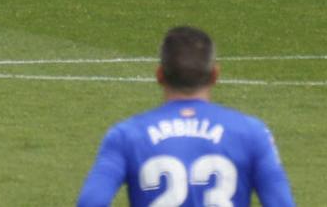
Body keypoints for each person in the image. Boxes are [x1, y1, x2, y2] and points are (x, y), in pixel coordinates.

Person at [75, 26, 295, 207]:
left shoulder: (127, 135)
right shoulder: (252, 133)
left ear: (159, 75)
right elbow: (281, 202)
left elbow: (90, 202)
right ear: (215, 75)